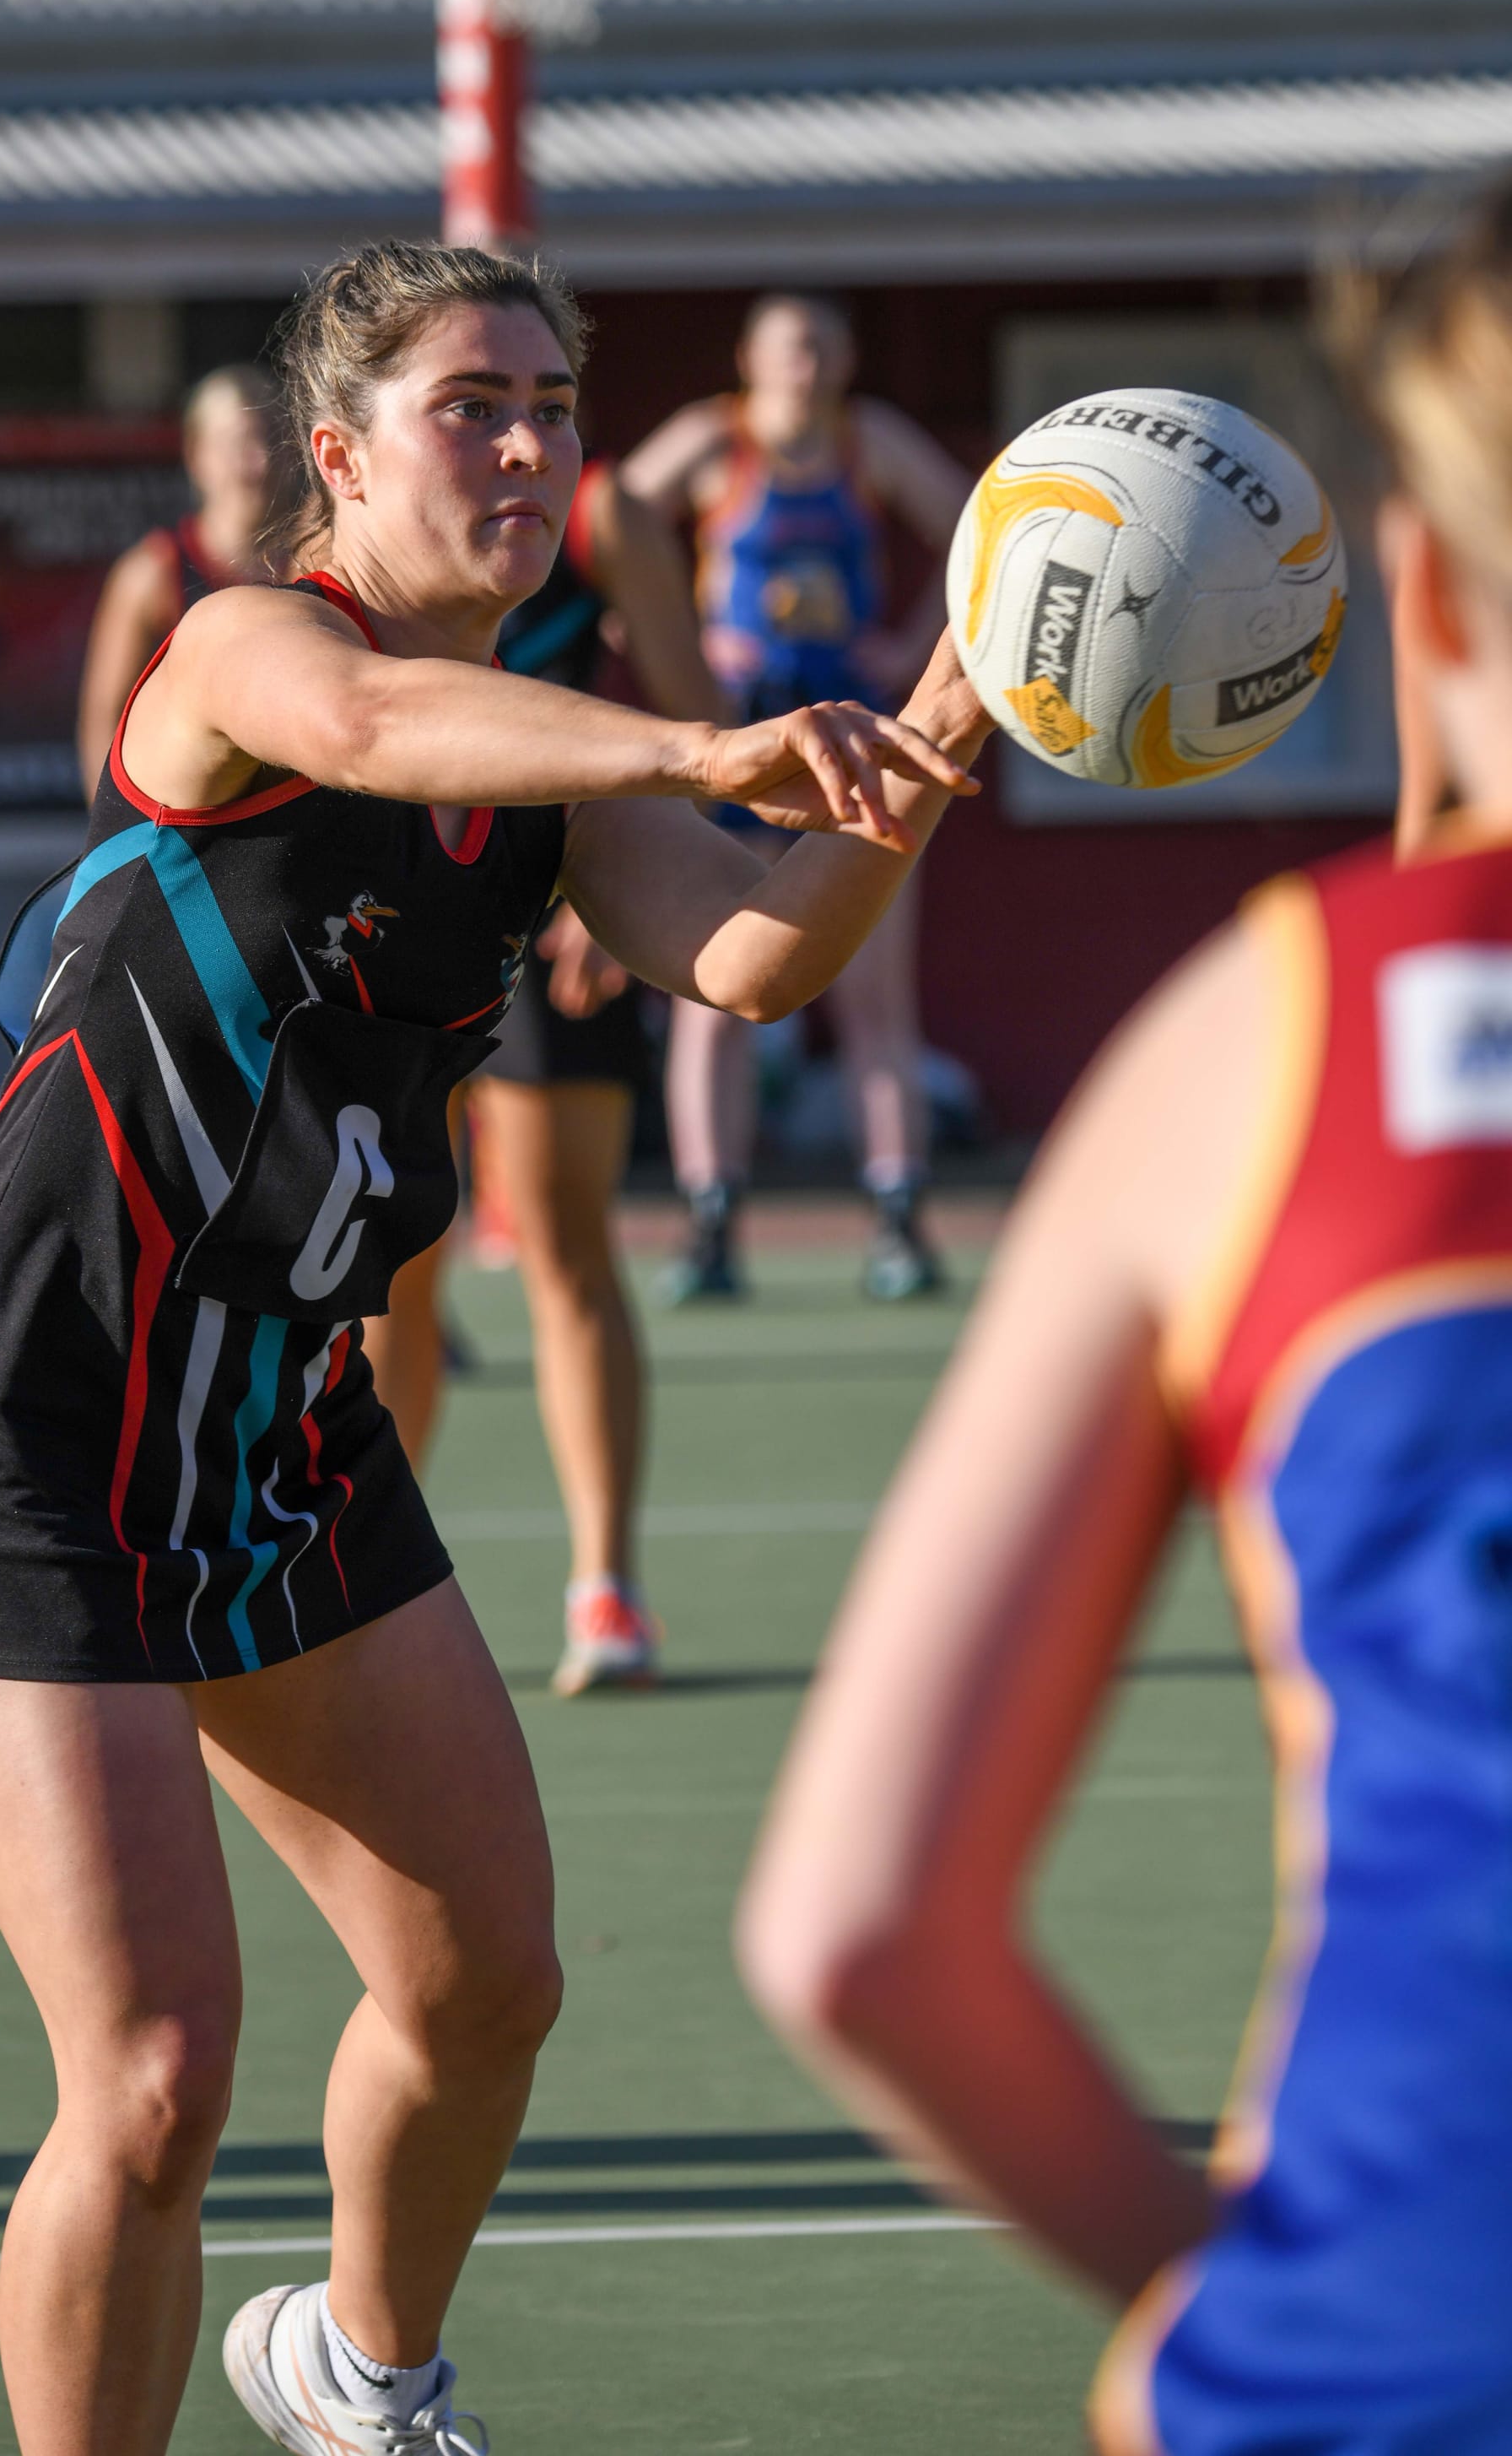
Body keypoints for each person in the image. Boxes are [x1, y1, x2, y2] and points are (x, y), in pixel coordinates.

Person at [0, 237, 983, 2456]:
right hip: (27, 1423)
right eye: (478, 404)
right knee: (154, 2075)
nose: (535, 443)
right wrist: (707, 731)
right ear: (338, 453)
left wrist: (935, 728)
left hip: (273, 1434)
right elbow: (368, 728)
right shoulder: (254, 650)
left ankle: (364, 2381)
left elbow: (748, 952)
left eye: (554, 402)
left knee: (483, 1986)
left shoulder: (532, 770)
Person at [738, 187, 1512, 2456]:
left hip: (1403, 2351)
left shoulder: (1276, 1043)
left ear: (1432, 594)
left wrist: (1254, 2303)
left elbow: (855, 1934)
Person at [366, 453, 733, 1694]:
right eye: (472, 394)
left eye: (543, 394)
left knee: (568, 1242)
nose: (514, 427)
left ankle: (607, 1587)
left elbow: (703, 730)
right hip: (396, 909)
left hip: (550, 902)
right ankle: (353, 1581)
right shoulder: (369, 517)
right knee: (391, 1269)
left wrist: (606, 875)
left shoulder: (603, 511)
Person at [624, 292, 971, 1302]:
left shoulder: (873, 446)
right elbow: (608, 531)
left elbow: (981, 534)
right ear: (748, 359)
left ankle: (898, 1217)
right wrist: (667, 641)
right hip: (737, 742)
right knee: (709, 993)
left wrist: (910, 649)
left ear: (847, 357)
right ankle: (709, 1223)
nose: (804, 364)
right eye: (787, 347)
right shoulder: (708, 442)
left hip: (850, 735)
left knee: (872, 995)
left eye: (821, 345)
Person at [76, 363, 284, 800]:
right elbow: (104, 719)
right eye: (238, 443)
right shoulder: (151, 574)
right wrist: (118, 846)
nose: (258, 461)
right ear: (197, 455)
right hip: (181, 832)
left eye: (271, 438)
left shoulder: (315, 560)